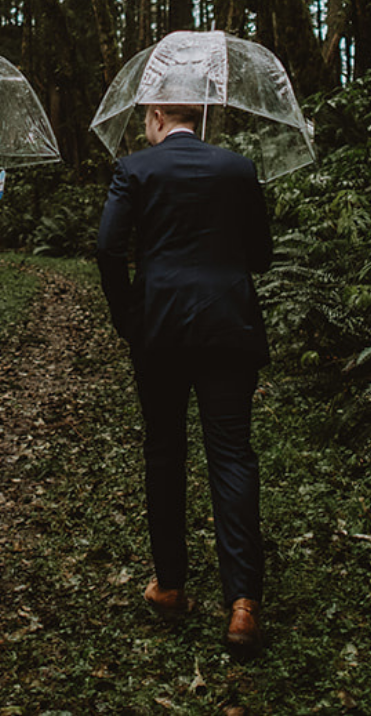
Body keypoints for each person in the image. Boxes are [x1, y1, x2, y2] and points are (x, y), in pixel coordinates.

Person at [95, 102, 273, 651]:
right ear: (199, 117)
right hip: (228, 327)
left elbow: (107, 248)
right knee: (232, 454)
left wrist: (129, 315)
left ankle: (170, 585)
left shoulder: (136, 169)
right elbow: (262, 257)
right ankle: (243, 604)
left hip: (160, 331)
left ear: (154, 116)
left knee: (165, 452)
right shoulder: (238, 168)